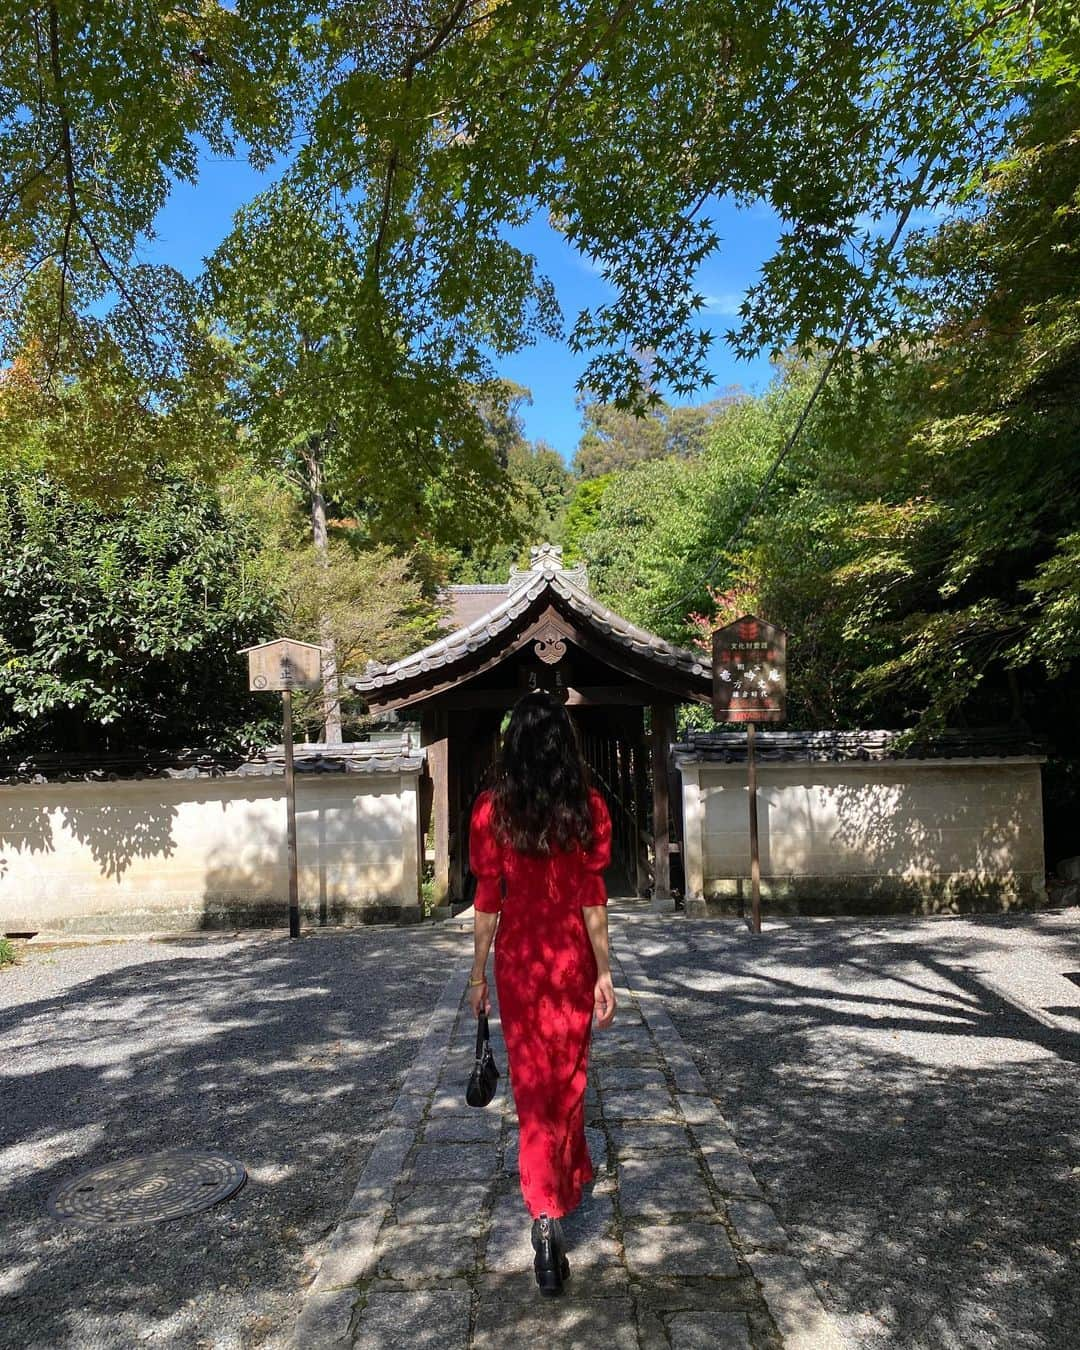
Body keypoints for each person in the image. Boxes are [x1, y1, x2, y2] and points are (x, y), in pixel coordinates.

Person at [467, 689, 616, 1297]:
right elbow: (591, 898)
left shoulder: (490, 811)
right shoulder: (589, 809)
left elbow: (486, 902)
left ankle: (547, 1211)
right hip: (570, 960)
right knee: (569, 1077)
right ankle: (558, 1190)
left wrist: (477, 974)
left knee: (533, 1087)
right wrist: (605, 970)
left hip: (521, 962)